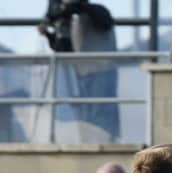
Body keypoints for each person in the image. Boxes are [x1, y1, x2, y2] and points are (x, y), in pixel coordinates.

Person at [39, 0, 120, 141]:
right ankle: (92, 142)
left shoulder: (96, 11)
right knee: (87, 116)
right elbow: (64, 48)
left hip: (101, 73)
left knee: (101, 114)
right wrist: (48, 34)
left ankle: (107, 142)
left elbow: (104, 22)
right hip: (83, 75)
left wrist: (72, 8)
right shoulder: (75, 19)